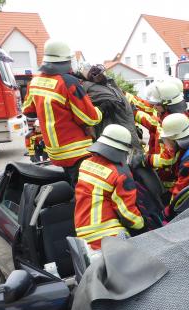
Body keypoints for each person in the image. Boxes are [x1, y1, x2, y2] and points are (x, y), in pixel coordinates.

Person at [22, 38, 102, 185]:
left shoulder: (34, 82)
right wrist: (100, 109)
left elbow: (27, 110)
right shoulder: (68, 82)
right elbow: (90, 118)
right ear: (66, 60)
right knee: (84, 192)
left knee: (71, 188)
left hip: (54, 152)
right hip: (77, 152)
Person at [73, 124, 144, 250]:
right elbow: (127, 213)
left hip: (82, 232)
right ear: (123, 150)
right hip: (107, 235)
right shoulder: (120, 174)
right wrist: (142, 224)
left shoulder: (86, 163)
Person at [78, 63, 142, 153]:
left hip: (125, 133)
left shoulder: (108, 85)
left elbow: (124, 106)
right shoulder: (93, 88)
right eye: (94, 72)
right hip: (115, 139)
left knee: (133, 156)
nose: (98, 74)